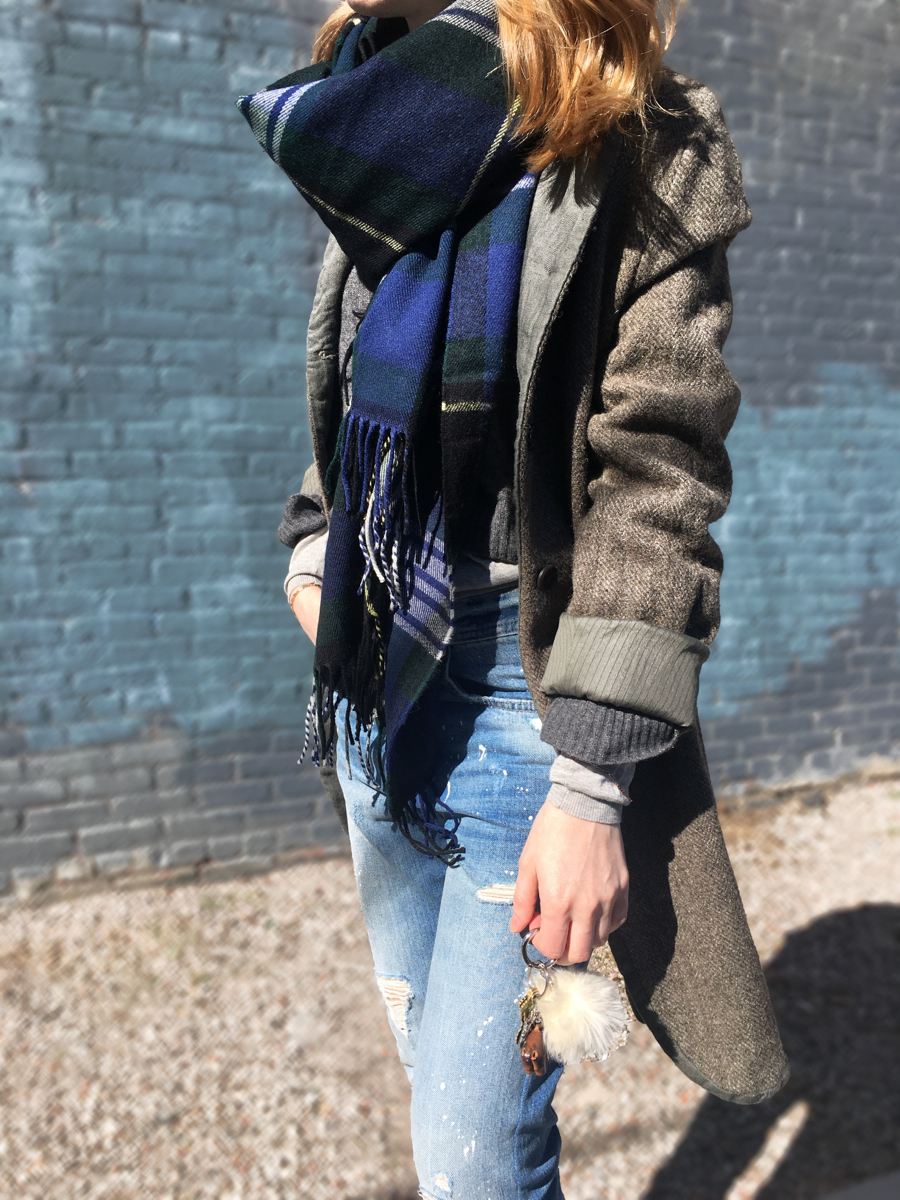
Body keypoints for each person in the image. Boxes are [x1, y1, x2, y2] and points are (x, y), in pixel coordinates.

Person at [238, 0, 788, 1194]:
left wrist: (592, 794)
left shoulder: (649, 138)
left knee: (475, 1161)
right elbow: (365, 380)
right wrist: (316, 547)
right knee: (434, 1075)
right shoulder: (387, 101)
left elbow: (661, 480)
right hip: (378, 689)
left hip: (524, 712)